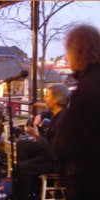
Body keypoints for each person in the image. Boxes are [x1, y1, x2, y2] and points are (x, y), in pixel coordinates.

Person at [53, 24, 100, 200]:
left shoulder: (86, 89)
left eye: (68, 51)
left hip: (88, 179)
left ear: (79, 52)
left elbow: (66, 141)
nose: (67, 57)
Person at [16, 83, 70, 200]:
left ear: (56, 100)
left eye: (47, 96)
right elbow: (47, 113)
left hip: (56, 162)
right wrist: (40, 115)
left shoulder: (62, 122)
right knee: (22, 144)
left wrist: (37, 136)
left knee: (20, 168)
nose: (44, 98)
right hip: (49, 152)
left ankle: (23, 194)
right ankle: (33, 186)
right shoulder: (57, 112)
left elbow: (53, 152)